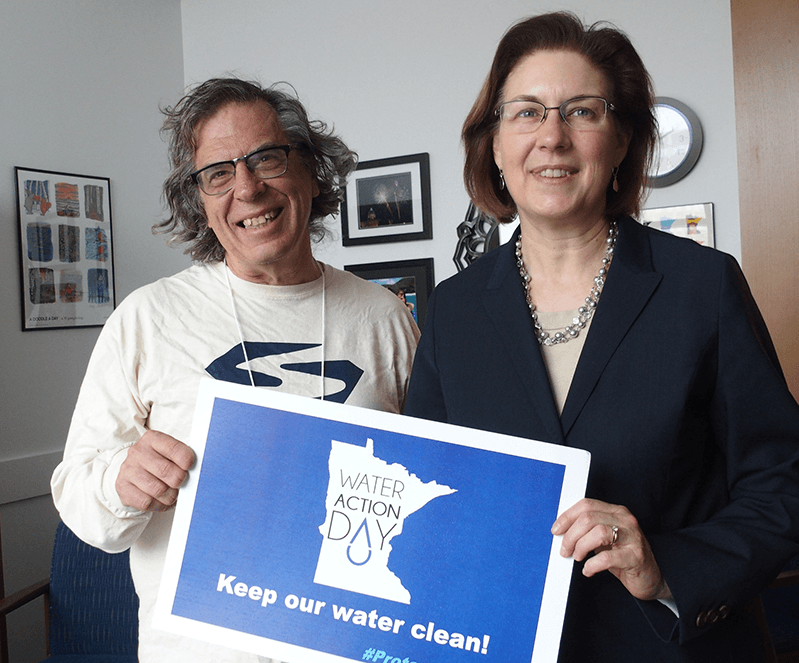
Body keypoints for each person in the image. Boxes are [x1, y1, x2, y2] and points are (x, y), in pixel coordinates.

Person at [404, 12, 799, 661]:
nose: (551, 137)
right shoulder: (452, 311)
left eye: (581, 111)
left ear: (619, 141)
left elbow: (782, 481)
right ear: (493, 145)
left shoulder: (701, 285)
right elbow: (430, 492)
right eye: (526, 112)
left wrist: (666, 566)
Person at [51, 77, 419, 663]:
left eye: (266, 158)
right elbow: (79, 500)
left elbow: (431, 495)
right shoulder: (147, 318)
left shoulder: (384, 317)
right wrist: (123, 482)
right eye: (218, 172)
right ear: (198, 198)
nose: (246, 188)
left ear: (310, 171)